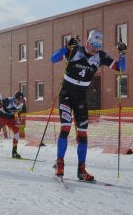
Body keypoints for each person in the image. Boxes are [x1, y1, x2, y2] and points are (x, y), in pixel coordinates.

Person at [51, 30, 126, 181]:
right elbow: (53, 59)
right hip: (66, 94)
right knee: (65, 128)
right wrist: (66, 47)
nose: (96, 48)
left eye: (99, 45)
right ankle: (60, 164)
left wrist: (123, 53)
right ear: (87, 42)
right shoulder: (75, 51)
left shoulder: (101, 56)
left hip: (81, 97)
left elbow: (120, 68)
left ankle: (82, 170)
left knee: (83, 134)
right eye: (94, 44)